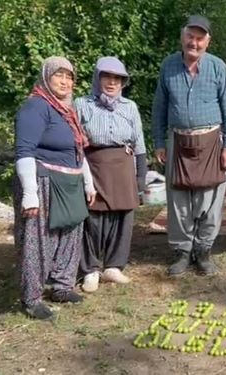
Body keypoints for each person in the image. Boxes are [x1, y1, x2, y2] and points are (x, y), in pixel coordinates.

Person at [152, 15, 226, 276]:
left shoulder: (217, 67)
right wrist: (158, 142)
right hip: (178, 140)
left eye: (200, 38)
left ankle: (203, 251)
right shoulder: (169, 66)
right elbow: (159, 109)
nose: (195, 42)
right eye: (191, 36)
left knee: (210, 200)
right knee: (178, 200)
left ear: (207, 41)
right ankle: (182, 251)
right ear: (183, 36)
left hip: (212, 141)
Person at [13, 56, 96, 319]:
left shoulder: (67, 111)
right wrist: (29, 194)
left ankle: (62, 286)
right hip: (44, 180)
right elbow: (24, 151)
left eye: (69, 76)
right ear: (46, 77)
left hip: (69, 181)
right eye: (58, 75)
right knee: (40, 241)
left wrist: (88, 182)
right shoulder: (36, 107)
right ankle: (32, 298)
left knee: (70, 234)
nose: (65, 81)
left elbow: (77, 150)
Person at [74, 57, 147, 292]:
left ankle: (114, 266)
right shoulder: (82, 104)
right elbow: (75, 140)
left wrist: (141, 177)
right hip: (95, 165)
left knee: (123, 215)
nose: (112, 82)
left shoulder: (130, 107)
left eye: (117, 78)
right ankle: (91, 269)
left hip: (124, 165)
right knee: (93, 216)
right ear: (98, 78)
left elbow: (139, 143)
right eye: (107, 77)